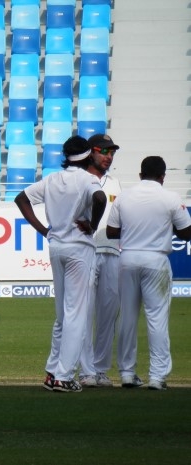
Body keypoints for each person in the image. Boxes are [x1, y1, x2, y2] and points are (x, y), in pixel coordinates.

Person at [15, 135, 106, 393]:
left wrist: (45, 231)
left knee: (62, 315)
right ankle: (64, 376)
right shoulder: (89, 179)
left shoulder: (52, 179)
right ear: (88, 156)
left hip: (56, 247)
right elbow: (99, 199)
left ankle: (53, 371)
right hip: (79, 247)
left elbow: (21, 199)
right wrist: (93, 225)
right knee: (76, 313)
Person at [106, 155, 191, 391]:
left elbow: (112, 232)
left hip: (128, 258)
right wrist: (164, 226)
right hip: (156, 259)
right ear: (163, 176)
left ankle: (126, 373)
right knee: (157, 319)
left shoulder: (124, 197)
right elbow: (186, 233)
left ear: (140, 175)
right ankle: (156, 376)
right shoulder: (170, 198)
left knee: (127, 318)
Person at [77, 134, 122, 388]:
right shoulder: (80, 180)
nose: (108, 156)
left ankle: (101, 369)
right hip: (85, 251)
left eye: (112, 152)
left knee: (108, 314)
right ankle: (86, 370)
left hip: (112, 252)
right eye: (103, 151)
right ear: (90, 152)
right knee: (84, 313)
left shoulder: (115, 183)